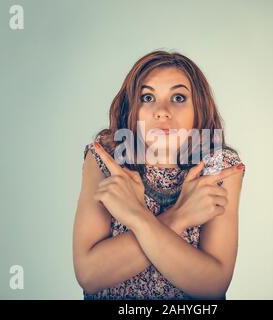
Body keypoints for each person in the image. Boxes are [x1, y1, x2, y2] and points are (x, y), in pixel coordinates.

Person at [73, 50, 246, 299]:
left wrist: (136, 217)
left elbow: (212, 286)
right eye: (147, 97)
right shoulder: (106, 157)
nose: (162, 111)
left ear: (199, 108)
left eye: (178, 97)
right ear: (131, 108)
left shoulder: (219, 166)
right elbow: (90, 275)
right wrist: (180, 216)